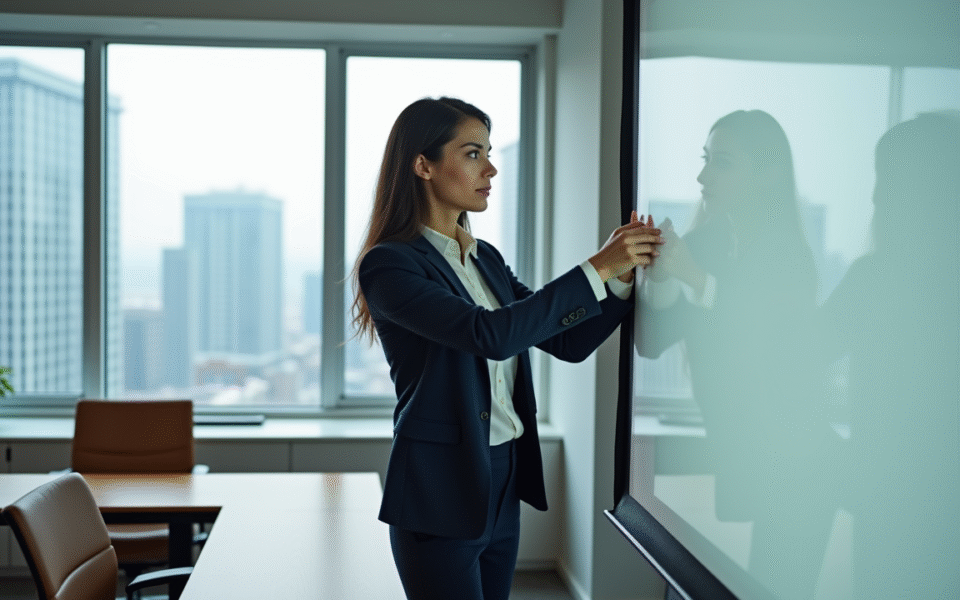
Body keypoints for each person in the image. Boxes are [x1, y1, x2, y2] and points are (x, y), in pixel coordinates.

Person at [351, 97, 662, 600]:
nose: (491, 168)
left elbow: (566, 339)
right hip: (439, 489)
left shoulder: (485, 258)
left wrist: (620, 281)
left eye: (488, 153)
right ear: (423, 165)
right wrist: (595, 268)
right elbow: (490, 335)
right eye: (473, 154)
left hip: (502, 477)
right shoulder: (389, 265)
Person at [636, 110, 836, 600]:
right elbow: (651, 341)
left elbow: (768, 335)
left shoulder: (790, 255)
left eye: (721, 163)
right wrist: (663, 275)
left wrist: (694, 277)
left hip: (801, 461)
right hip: (748, 459)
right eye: (705, 160)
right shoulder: (705, 243)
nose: (703, 176)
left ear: (767, 174)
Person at [817, 111, 960, 598]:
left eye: (887, 182)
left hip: (889, 506)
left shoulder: (874, 280)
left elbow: (793, 358)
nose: (876, 198)